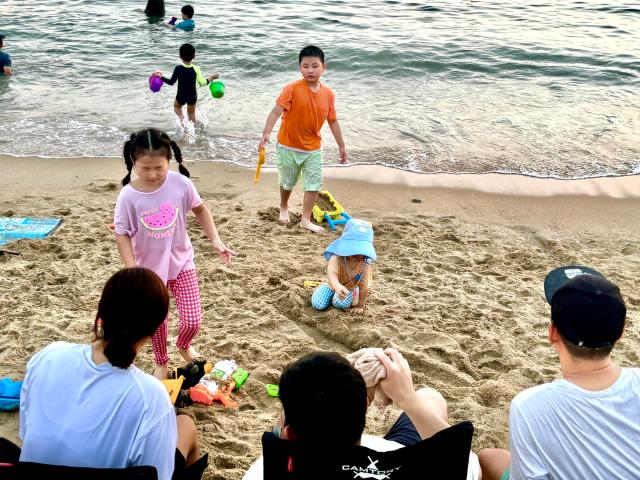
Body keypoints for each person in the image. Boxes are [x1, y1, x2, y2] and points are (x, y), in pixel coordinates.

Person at [18, 268, 206, 480]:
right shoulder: (151, 396)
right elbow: (157, 474)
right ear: (153, 330)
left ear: (101, 314)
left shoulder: (47, 357)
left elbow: (27, 435)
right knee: (186, 425)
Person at [479, 266, 640, 480]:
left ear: (552, 333)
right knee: (492, 458)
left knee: (488, 459)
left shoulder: (529, 406)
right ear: (620, 334)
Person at [242, 350, 481, 479]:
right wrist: (407, 399)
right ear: (365, 407)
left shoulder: (268, 470)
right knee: (430, 398)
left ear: (290, 434)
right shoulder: (437, 468)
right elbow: (465, 459)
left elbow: (282, 437)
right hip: (392, 460)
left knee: (431, 398)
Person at [114, 128, 236, 380]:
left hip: (182, 262)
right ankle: (161, 361)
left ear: (169, 160)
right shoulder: (128, 196)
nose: (153, 174)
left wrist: (216, 240)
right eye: (145, 168)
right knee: (157, 322)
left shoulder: (181, 183)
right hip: (148, 270)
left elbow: (201, 210)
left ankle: (183, 344)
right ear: (132, 162)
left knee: (192, 319)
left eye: (159, 167)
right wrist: (131, 268)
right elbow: (122, 233)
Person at [258, 45, 347, 234]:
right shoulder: (291, 89)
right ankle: (284, 206)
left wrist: (341, 145)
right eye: (305, 66)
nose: (310, 70)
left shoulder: (329, 94)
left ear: (324, 67)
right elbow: (276, 111)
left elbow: (332, 121)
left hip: (313, 147)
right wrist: (266, 132)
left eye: (315, 66)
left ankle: (305, 220)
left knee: (314, 183)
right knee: (287, 182)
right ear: (300, 67)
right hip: (288, 146)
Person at [311, 218, 375, 313]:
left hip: (350, 288)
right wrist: (336, 286)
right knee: (318, 304)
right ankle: (327, 294)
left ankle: (354, 293)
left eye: (360, 249)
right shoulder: (337, 257)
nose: (357, 252)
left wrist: (360, 306)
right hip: (332, 285)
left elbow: (364, 287)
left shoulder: (365, 265)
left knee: (339, 303)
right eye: (353, 247)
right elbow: (331, 273)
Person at [153, 43, 218, 124]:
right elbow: (202, 83)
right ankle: (194, 132)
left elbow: (171, 82)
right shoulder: (196, 69)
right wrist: (212, 77)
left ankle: (181, 117)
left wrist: (161, 77)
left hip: (181, 95)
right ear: (194, 56)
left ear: (180, 56)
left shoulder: (178, 68)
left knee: (177, 106)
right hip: (192, 96)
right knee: (191, 114)